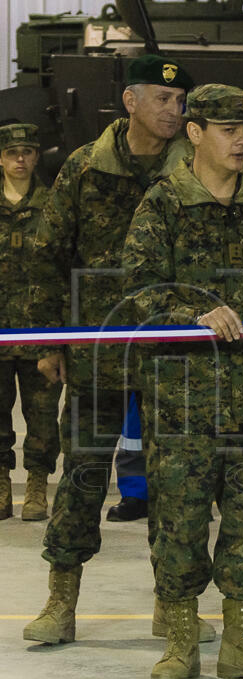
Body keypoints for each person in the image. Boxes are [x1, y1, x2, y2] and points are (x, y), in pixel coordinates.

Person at [22, 55, 216, 648]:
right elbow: (48, 255)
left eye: (180, 101)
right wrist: (49, 339)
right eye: (162, 98)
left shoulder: (198, 169)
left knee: (177, 487)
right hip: (97, 352)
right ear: (130, 101)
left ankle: (173, 606)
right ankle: (61, 601)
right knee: (81, 477)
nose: (173, 110)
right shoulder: (84, 167)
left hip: (170, 353)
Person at [123, 83, 243, 679]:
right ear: (195, 133)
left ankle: (241, 643)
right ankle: (179, 642)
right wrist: (192, 315)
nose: (241, 139)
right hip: (183, 403)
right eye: (227, 129)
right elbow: (140, 292)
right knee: (180, 525)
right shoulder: (163, 205)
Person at [0, 122, 60, 521]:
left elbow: (63, 267)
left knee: (42, 416)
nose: (20, 159)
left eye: (27, 151)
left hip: (41, 331)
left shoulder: (54, 205)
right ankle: (1, 482)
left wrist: (61, 338)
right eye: (11, 152)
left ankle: (37, 483)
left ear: (37, 156)